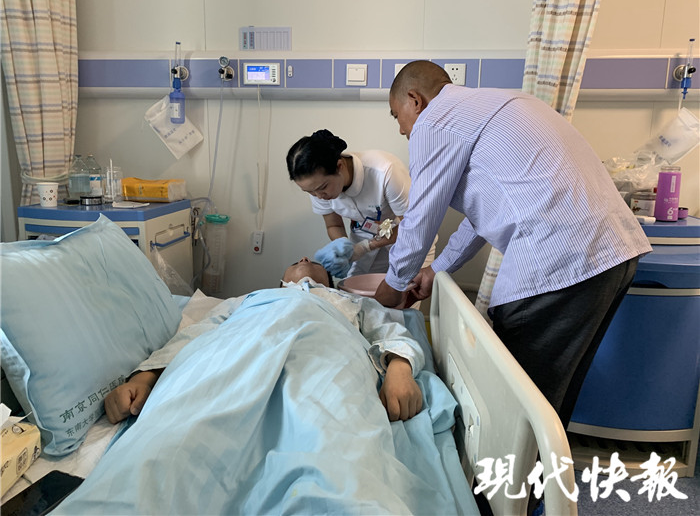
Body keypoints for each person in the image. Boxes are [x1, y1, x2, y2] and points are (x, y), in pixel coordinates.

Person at [374, 60, 652, 430]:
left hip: (559, 262)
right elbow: (483, 215)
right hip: (614, 252)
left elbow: (421, 216)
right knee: (552, 397)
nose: (401, 129)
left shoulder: (435, 120)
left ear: (415, 100)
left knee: (517, 408)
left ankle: (512, 471)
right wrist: (436, 270)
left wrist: (392, 286)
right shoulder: (504, 103)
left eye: (397, 116)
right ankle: (543, 469)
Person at [104, 257, 423, 425]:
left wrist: (399, 370)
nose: (304, 257)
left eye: (315, 263)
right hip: (242, 357)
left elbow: (390, 331)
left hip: (326, 364)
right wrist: (146, 376)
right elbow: (198, 332)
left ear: (330, 283)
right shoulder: (253, 299)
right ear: (280, 284)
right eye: (296, 261)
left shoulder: (349, 302)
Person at [286, 129, 436, 279]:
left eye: (323, 188)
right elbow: (334, 225)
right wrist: (343, 247)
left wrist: (366, 246)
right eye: (310, 192)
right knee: (353, 288)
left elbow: (413, 227)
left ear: (339, 166)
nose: (319, 196)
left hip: (410, 238)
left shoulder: (385, 171)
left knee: (406, 287)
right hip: (363, 237)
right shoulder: (316, 186)